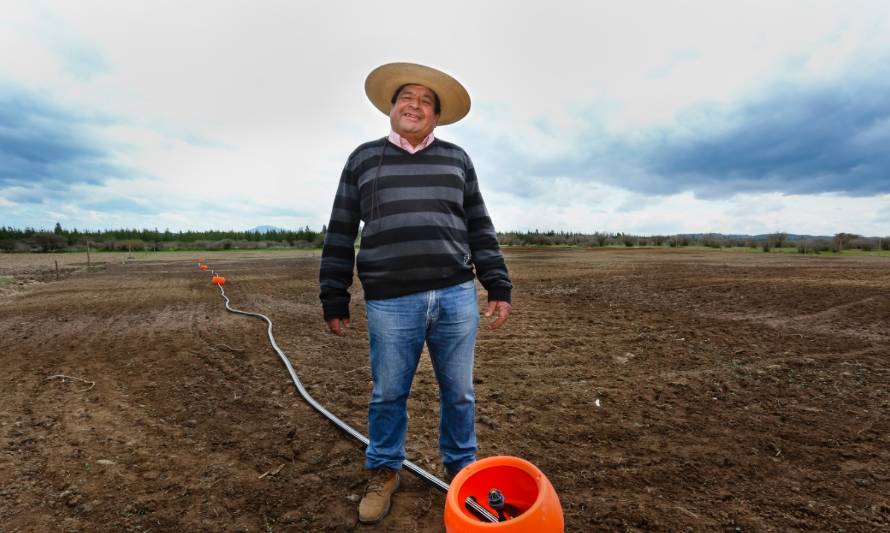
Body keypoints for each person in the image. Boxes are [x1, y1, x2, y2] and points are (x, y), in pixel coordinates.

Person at [319, 62, 513, 524]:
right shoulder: (363, 159)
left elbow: (480, 227)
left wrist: (497, 283)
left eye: (427, 101)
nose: (416, 105)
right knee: (388, 393)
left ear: (436, 116)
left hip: (455, 296)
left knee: (460, 393)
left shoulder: (457, 160)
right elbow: (341, 231)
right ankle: (384, 471)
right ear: (392, 107)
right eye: (407, 97)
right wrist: (334, 295)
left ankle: (462, 472)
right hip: (390, 301)